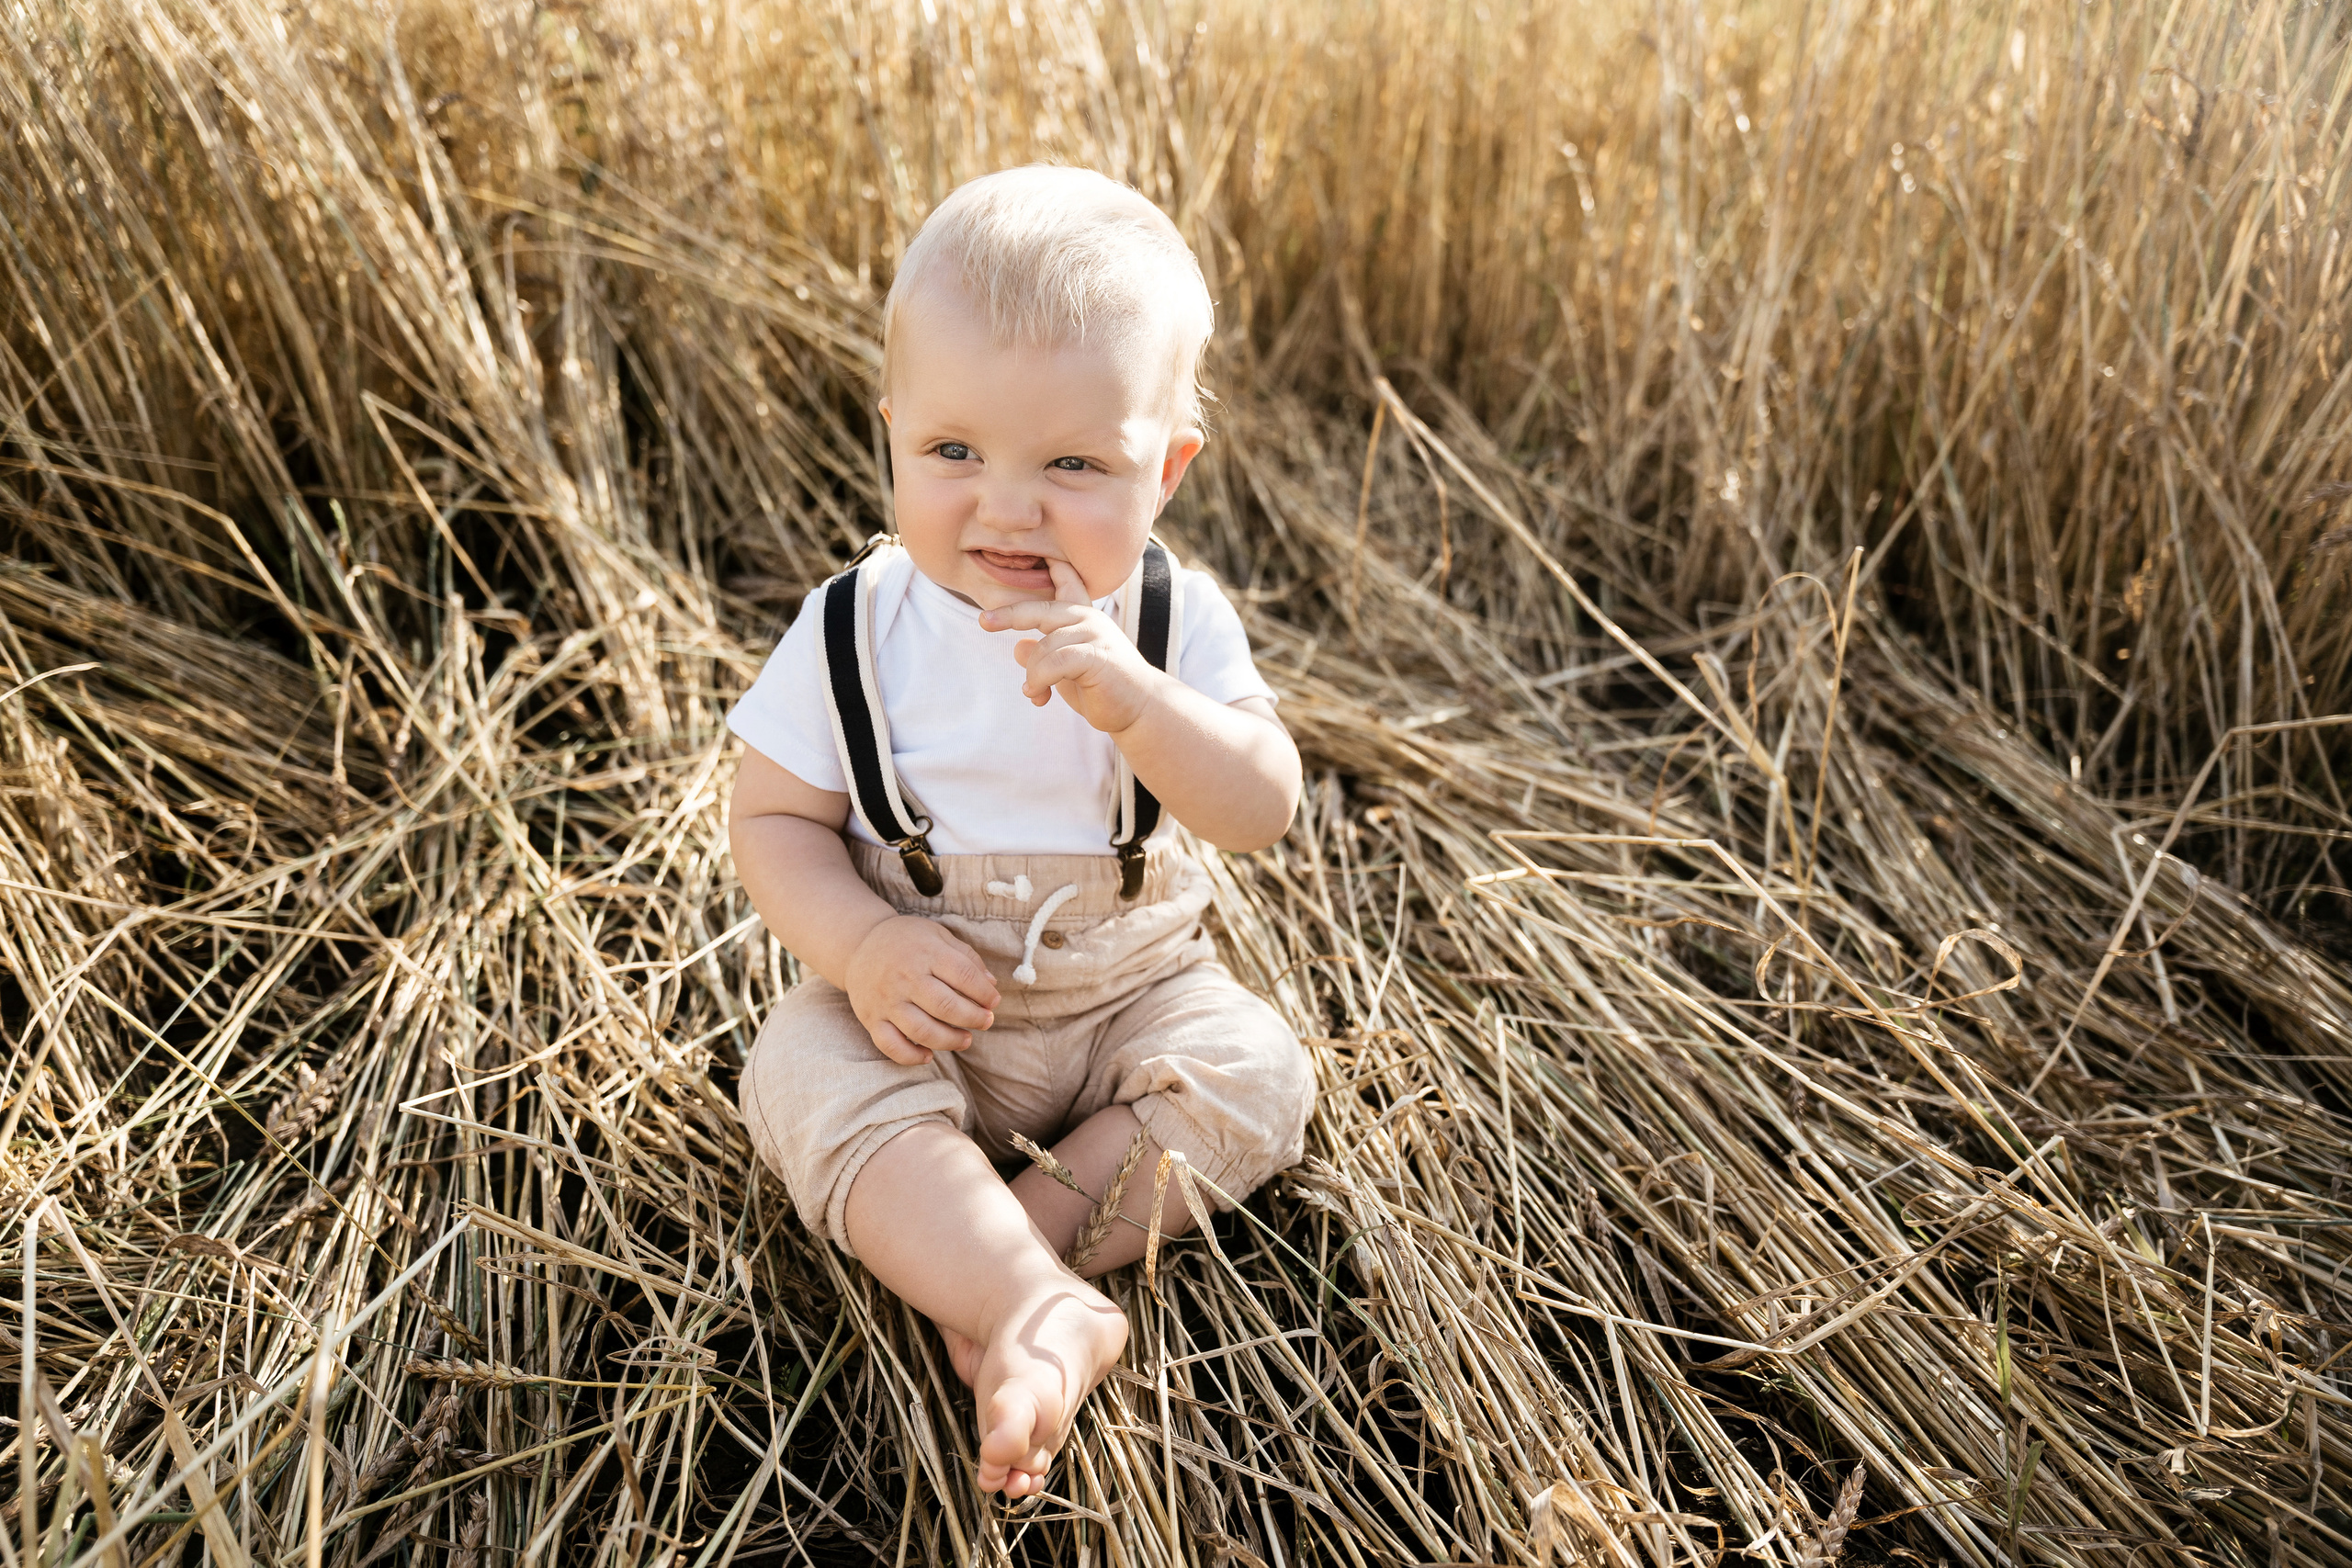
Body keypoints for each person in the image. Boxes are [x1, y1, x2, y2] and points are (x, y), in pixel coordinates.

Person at [726, 164, 1313, 1500]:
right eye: (952, 454)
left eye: (1072, 465)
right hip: (925, 1015)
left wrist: (1142, 703)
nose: (1005, 506)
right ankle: (1028, 1295)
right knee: (797, 1066)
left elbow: (1261, 806)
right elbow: (771, 821)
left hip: (1128, 1003)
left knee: (1258, 1069)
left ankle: (1009, 1276)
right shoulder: (850, 633)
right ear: (891, 437)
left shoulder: (1173, 622)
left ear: (1163, 473)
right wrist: (866, 948)